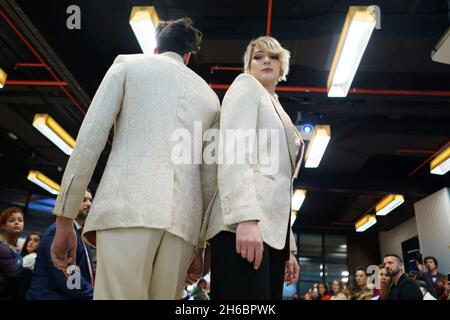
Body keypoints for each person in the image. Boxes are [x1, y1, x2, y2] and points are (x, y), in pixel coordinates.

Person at [50, 18, 220, 300]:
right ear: (188, 56)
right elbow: (208, 178)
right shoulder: (210, 98)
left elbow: (89, 141)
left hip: (127, 210)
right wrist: (199, 246)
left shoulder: (128, 65)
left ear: (155, 48)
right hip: (182, 227)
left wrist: (65, 217)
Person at [203, 36, 304, 299]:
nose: (266, 61)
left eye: (273, 56)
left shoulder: (280, 110)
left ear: (283, 65)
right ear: (248, 66)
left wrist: (288, 248)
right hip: (243, 225)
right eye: (257, 57)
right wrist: (244, 218)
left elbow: (282, 185)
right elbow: (233, 151)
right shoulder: (246, 86)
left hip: (271, 233)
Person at [27, 191, 94, 300]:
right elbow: (68, 278)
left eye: (90, 200)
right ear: (69, 204)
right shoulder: (58, 232)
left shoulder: (79, 233)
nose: (89, 204)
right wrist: (94, 295)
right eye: (83, 200)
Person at [0, 207, 26, 299]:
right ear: (3, 225)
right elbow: (15, 274)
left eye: (20, 220)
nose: (17, 222)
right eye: (11, 220)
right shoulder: (2, 247)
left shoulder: (14, 248)